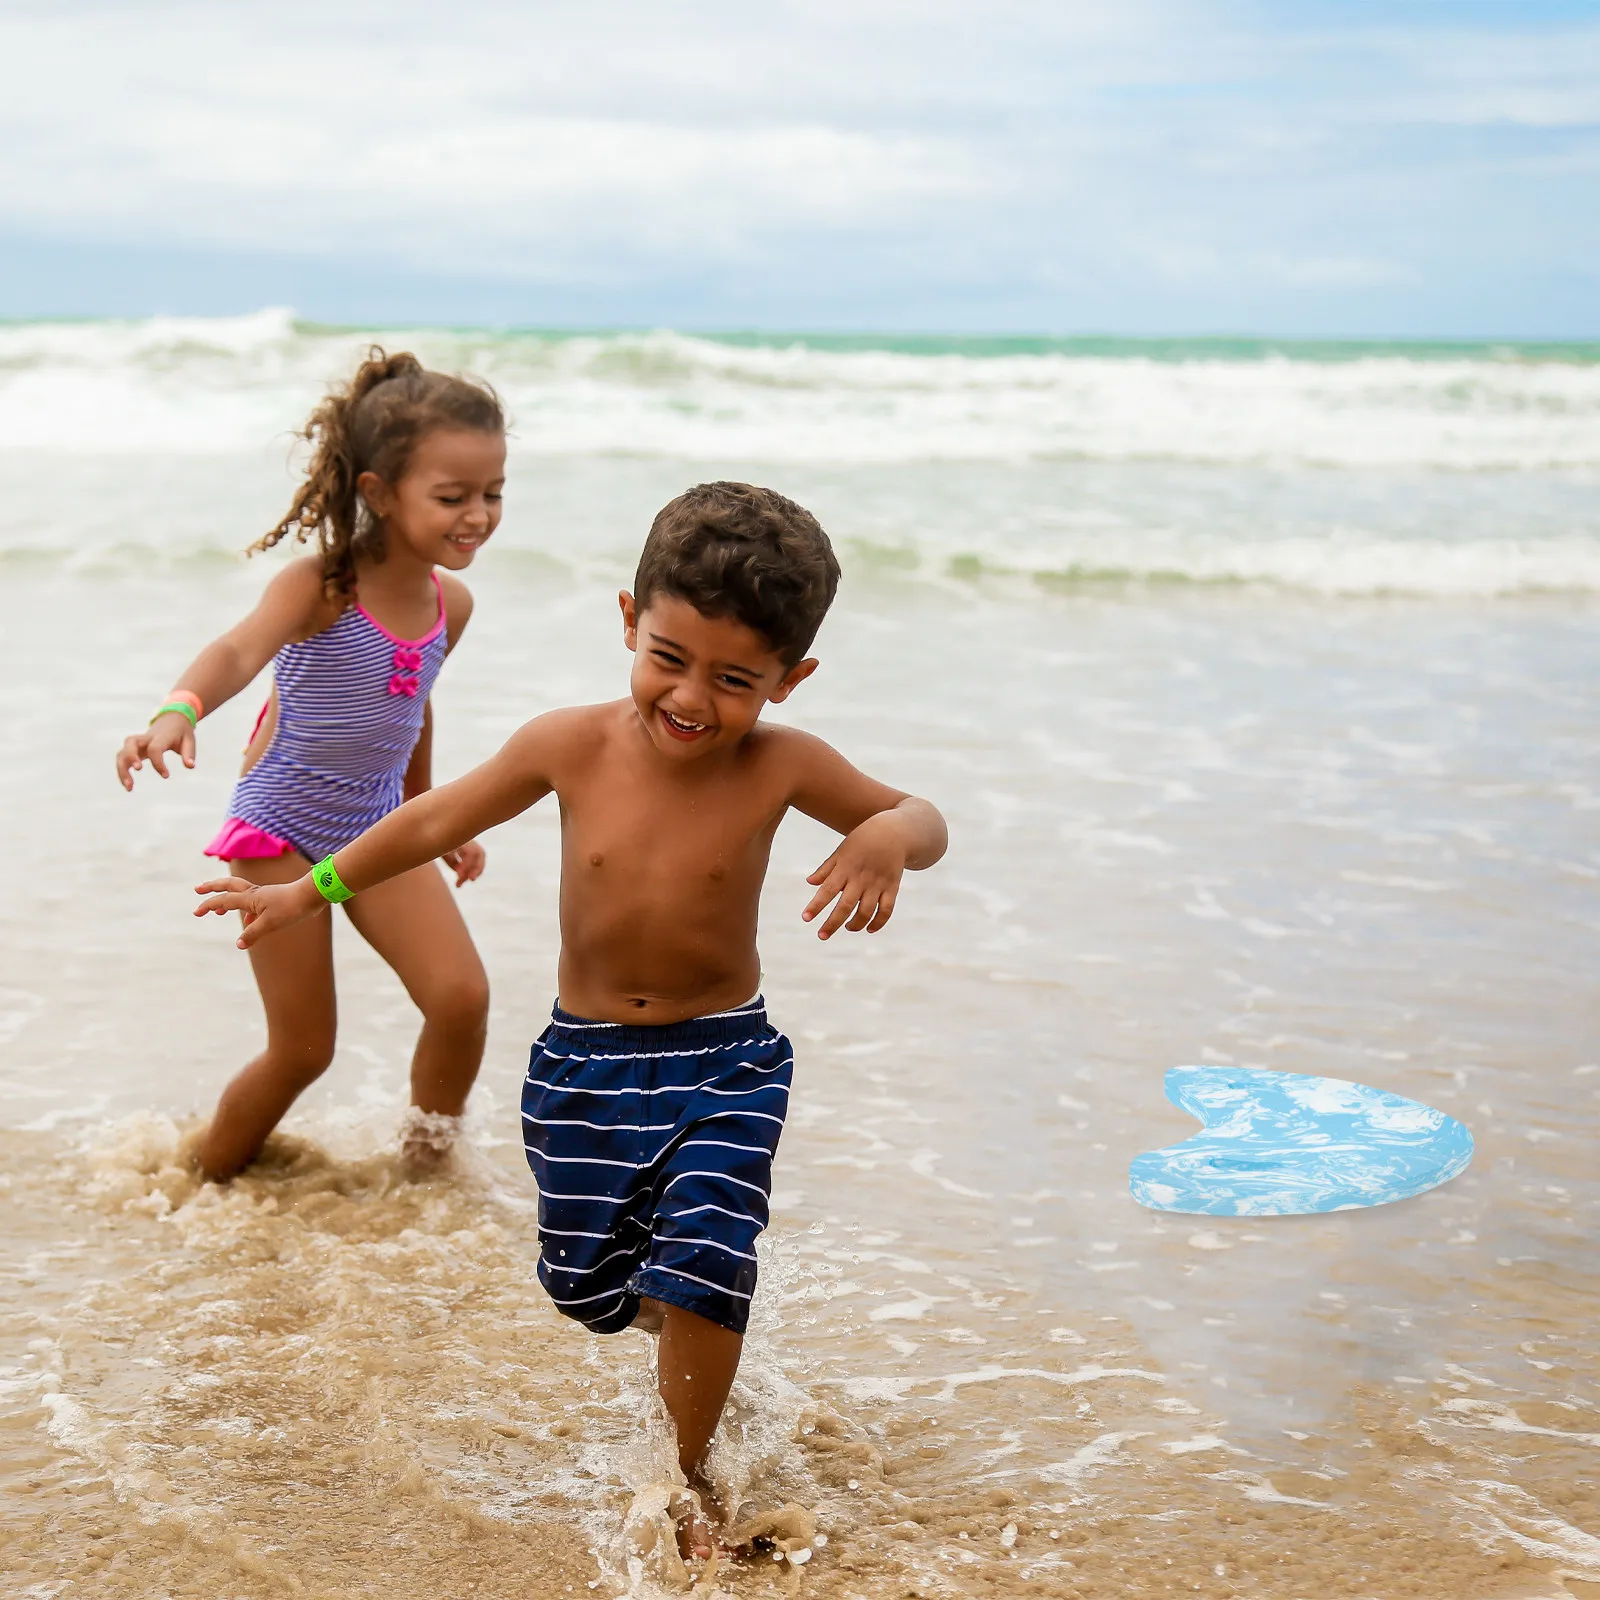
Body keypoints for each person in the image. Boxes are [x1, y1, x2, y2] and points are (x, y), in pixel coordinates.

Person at [193, 481, 948, 1559]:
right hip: (582, 1065)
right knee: (586, 1288)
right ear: (628, 619)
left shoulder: (786, 763)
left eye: (735, 681)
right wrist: (302, 891)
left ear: (791, 678)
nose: (692, 698)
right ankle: (689, 1325)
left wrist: (889, 835)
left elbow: (924, 820)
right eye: (668, 658)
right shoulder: (568, 745)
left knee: (709, 1241)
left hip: (724, 1055)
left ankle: (688, 1487)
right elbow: (430, 817)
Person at [118, 349, 505, 1181]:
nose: (477, 514)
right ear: (377, 492)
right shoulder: (322, 586)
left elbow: (412, 705)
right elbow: (237, 649)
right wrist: (176, 711)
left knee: (461, 998)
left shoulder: (453, 605)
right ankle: (204, 1184)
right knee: (303, 1049)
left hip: (378, 824)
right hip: (280, 828)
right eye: (452, 497)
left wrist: (430, 814)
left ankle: (423, 1177)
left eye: (492, 493)